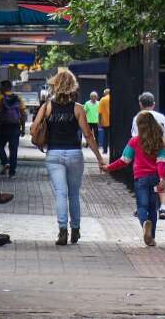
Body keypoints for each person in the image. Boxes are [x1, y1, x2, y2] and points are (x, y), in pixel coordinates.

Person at [31, 70, 106, 245]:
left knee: (60, 193)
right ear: (72, 87)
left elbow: (34, 128)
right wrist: (99, 158)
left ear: (55, 86)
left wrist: (42, 137)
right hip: (74, 154)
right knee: (73, 194)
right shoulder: (78, 108)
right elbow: (88, 135)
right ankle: (76, 230)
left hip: (54, 154)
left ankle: (62, 230)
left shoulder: (47, 106)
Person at [102, 112, 165, 246]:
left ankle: (144, 225)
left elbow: (124, 160)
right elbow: (162, 162)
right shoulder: (159, 141)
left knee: (142, 206)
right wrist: (162, 178)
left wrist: (109, 167)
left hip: (140, 179)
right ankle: (152, 237)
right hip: (155, 178)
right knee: (152, 207)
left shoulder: (135, 141)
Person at [131, 92, 165, 220]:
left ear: (140, 104)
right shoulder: (161, 117)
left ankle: (142, 207)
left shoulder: (138, 118)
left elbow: (135, 138)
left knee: (142, 179)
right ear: (153, 104)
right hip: (160, 152)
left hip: (143, 155)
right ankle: (162, 207)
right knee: (161, 178)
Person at [0, 80, 27, 178]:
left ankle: (5, 162)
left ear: (3, 87)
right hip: (15, 126)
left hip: (3, 126)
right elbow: (23, 114)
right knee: (13, 149)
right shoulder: (18, 98)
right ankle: (12, 172)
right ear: (11, 87)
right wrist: (23, 128)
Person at [98, 88, 110, 154]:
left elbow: (100, 112)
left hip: (105, 121)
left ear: (105, 93)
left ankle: (105, 150)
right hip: (113, 122)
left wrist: (99, 122)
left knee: (105, 136)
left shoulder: (103, 99)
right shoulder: (113, 98)